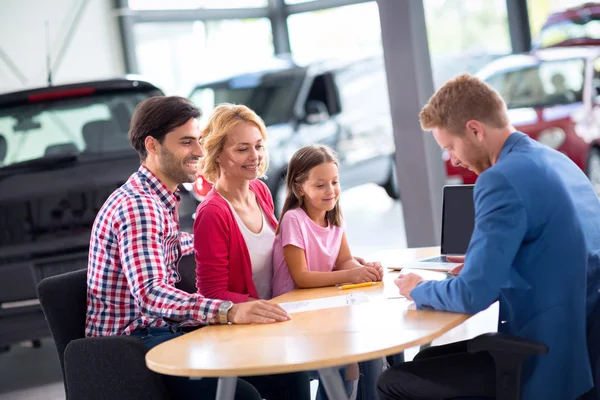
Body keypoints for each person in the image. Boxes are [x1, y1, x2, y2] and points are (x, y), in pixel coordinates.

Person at [377, 73, 600, 400]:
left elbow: (472, 295)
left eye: (450, 146)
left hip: (542, 361)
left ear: (475, 130)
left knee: (392, 382)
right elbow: (562, 250)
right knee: (426, 359)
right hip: (583, 351)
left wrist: (420, 288)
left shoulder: (500, 180)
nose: (452, 158)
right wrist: (485, 264)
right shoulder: (556, 160)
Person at [85, 96, 292, 400]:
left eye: (197, 140)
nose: (199, 150)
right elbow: (151, 293)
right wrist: (228, 310)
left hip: (162, 333)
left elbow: (165, 245)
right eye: (186, 142)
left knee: (282, 374)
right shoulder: (139, 207)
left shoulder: (158, 198)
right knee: (243, 393)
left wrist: (220, 239)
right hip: (130, 349)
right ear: (152, 145)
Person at [193, 103, 311, 400]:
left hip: (279, 320)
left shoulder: (259, 191)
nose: (255, 156)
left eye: (258, 146)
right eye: (242, 149)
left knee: (353, 354)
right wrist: (256, 307)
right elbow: (211, 293)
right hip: (244, 335)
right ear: (217, 153)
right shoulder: (213, 213)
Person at [271, 144, 386, 400]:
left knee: (377, 347)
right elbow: (302, 277)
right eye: (320, 185)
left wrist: (365, 270)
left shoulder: (334, 219)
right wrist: (350, 275)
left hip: (323, 310)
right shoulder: (294, 219)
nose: (331, 190)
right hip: (296, 316)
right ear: (300, 188)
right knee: (349, 357)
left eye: (334, 182)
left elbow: (345, 260)